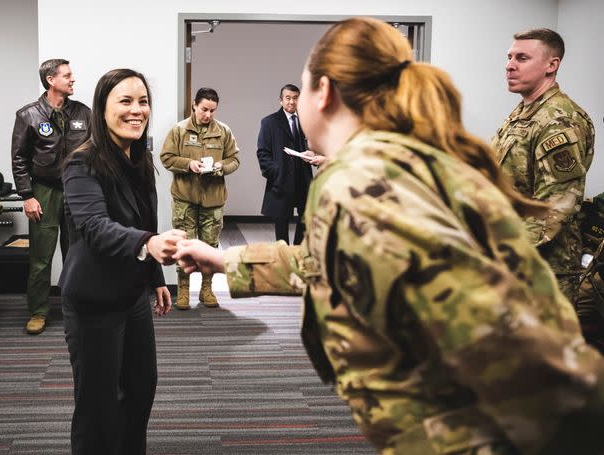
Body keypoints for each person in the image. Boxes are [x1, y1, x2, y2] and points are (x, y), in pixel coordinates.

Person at [174, 17, 604, 455]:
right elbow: (330, 262)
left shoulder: (362, 181)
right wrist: (224, 260)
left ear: (323, 92)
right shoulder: (389, 160)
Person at [60, 68, 185, 455]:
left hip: (131, 295)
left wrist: (157, 278)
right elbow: (96, 227)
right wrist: (149, 244)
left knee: (141, 387)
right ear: (102, 108)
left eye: (143, 101)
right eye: (125, 101)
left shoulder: (140, 157)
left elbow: (144, 220)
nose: (137, 110)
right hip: (93, 300)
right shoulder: (81, 164)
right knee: (97, 405)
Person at [491, 28, 595, 303]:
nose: (509, 65)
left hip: (543, 270)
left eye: (522, 58)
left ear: (552, 65)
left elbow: (557, 204)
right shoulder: (523, 113)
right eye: (510, 56)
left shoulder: (559, 120)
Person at [11, 59, 91, 335]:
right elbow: (19, 158)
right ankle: (38, 311)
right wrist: (27, 195)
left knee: (77, 253)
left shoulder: (83, 112)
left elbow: (95, 150)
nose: (73, 79)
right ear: (50, 80)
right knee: (41, 257)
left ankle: (77, 306)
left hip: (77, 189)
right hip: (44, 190)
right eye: (67, 76)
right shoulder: (28, 115)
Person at [160, 87, 240, 310]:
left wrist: (220, 167)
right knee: (182, 244)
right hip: (185, 199)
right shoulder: (179, 130)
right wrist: (188, 164)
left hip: (213, 201)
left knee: (210, 246)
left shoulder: (223, 131)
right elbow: (166, 158)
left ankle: (207, 289)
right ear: (194, 105)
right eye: (204, 109)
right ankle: (183, 290)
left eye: (213, 110)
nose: (208, 114)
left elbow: (234, 159)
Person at [256, 84, 314, 245]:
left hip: (302, 177)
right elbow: (263, 152)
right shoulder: (269, 122)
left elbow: (315, 145)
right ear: (281, 100)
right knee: (281, 220)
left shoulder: (306, 121)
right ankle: (282, 254)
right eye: (288, 98)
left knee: (306, 217)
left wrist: (313, 155)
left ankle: (296, 251)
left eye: (295, 98)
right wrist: (275, 172)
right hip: (281, 179)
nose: (291, 102)